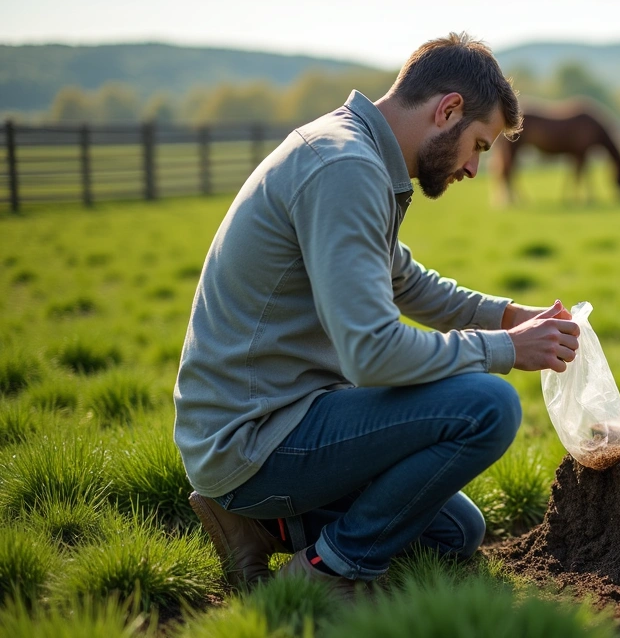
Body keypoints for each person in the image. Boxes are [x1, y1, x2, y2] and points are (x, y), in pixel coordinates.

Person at [173, 32, 579, 601]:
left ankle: (265, 528)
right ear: (449, 110)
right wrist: (507, 350)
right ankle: (324, 571)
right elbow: (372, 352)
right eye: (480, 146)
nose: (473, 170)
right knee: (487, 406)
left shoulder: (356, 151)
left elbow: (405, 282)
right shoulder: (345, 168)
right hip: (252, 438)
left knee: (454, 531)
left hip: (282, 418)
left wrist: (510, 317)